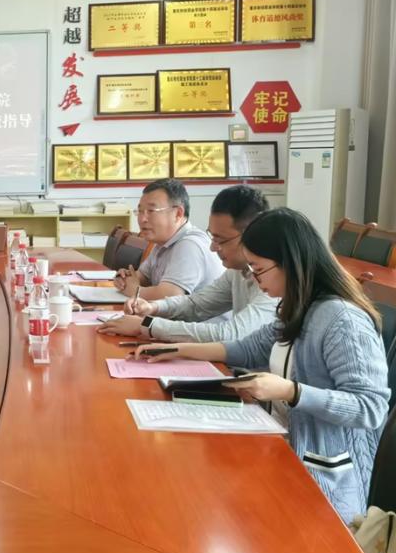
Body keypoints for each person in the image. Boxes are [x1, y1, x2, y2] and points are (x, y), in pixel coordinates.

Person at [136, 208, 390, 522]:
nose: (255, 280)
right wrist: (176, 349)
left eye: (258, 270)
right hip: (280, 450)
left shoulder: (343, 320)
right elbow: (248, 349)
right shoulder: (298, 306)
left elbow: (370, 408)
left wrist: (291, 391)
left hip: (326, 483)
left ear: (289, 262)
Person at [99, 185, 277, 341]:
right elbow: (196, 304)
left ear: (251, 235)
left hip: (227, 357)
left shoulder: (275, 279)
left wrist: (147, 325)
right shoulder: (237, 271)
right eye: (212, 237)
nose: (213, 248)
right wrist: (153, 308)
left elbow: (230, 333)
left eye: (220, 240)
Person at [115, 178, 223, 300]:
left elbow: (170, 296)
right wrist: (125, 278)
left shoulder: (190, 245)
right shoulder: (162, 243)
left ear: (178, 214)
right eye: (140, 211)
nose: (142, 219)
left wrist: (135, 290)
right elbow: (142, 277)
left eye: (151, 211)